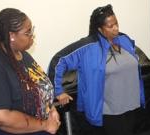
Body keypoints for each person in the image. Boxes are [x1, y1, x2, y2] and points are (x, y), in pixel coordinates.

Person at [49, 4, 144, 135]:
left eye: (116, 23)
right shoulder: (88, 47)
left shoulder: (124, 39)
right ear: (99, 29)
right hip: (109, 111)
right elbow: (58, 61)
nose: (116, 28)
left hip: (132, 105)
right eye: (110, 26)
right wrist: (58, 91)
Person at [0, 8, 60, 134]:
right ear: (11, 36)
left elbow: (39, 86)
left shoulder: (22, 55)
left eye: (32, 31)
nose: (32, 36)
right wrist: (45, 124)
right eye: (27, 32)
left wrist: (51, 109)